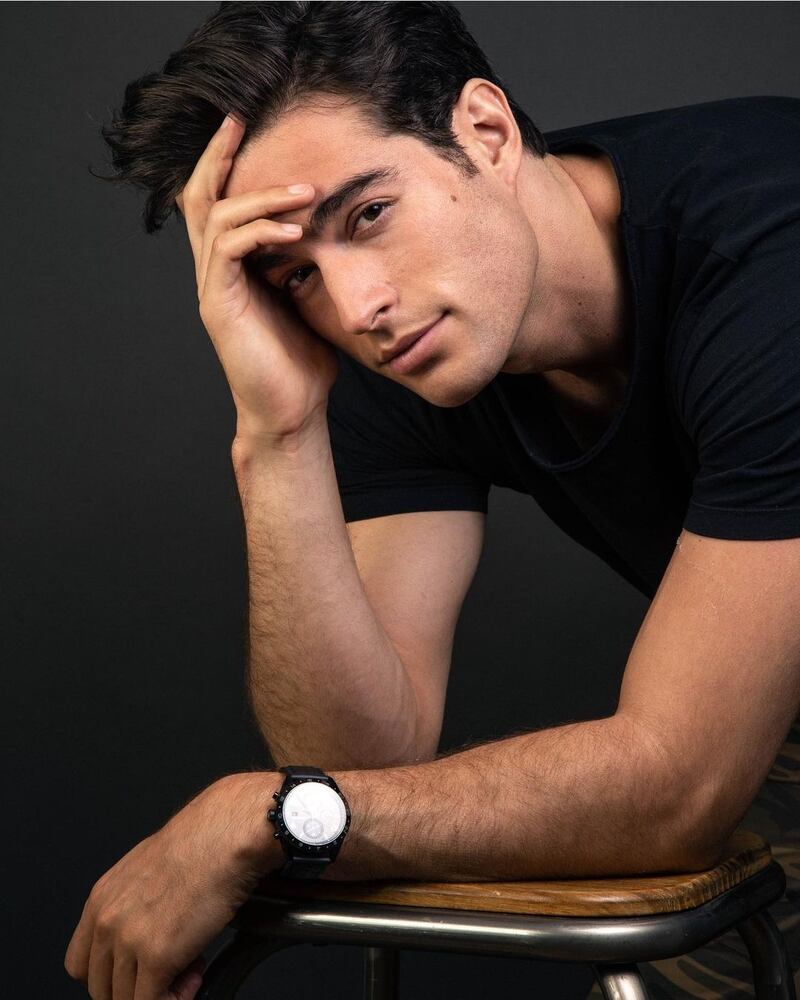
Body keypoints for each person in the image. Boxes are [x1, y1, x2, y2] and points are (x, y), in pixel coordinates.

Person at [66, 3, 800, 999]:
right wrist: (277, 434)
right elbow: (358, 760)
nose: (354, 305)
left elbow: (678, 784)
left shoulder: (768, 258)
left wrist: (269, 817)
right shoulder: (397, 340)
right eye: (295, 273)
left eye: (368, 214)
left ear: (485, 133)